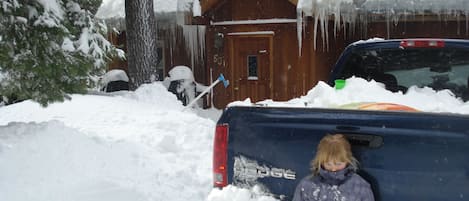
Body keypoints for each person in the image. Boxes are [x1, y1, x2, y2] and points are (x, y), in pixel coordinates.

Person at [292, 134, 375, 201]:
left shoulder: (360, 187)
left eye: (338, 164)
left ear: (347, 160)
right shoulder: (307, 185)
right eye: (328, 164)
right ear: (320, 162)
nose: (334, 169)